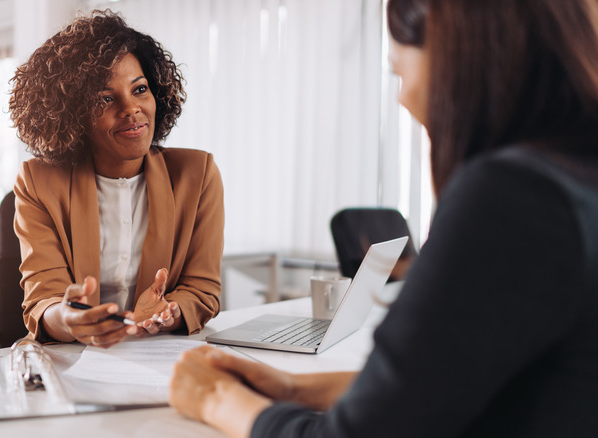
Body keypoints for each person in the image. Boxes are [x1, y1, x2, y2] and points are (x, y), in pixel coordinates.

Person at [169, 0, 598, 436]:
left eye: (399, 71)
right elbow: (443, 386)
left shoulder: (511, 197)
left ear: (459, 59)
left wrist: (215, 398)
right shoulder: (573, 178)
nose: (403, 98)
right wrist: (293, 389)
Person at [8, 10, 224, 348]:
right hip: (71, 360)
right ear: (73, 114)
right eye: (106, 99)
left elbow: (202, 289)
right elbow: (43, 299)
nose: (131, 108)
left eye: (139, 89)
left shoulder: (197, 175)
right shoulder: (38, 181)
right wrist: (70, 320)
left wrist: (169, 312)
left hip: (160, 358)